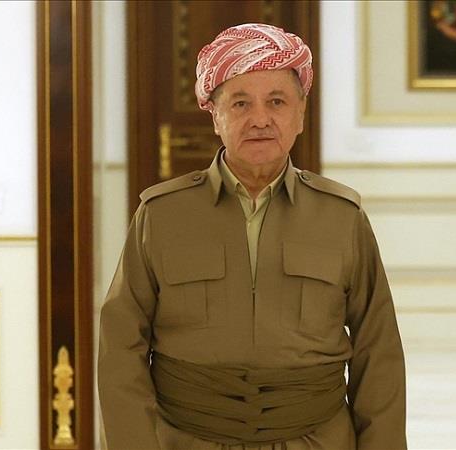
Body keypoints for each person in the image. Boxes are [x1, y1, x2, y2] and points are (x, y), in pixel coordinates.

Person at [98, 23, 406, 450]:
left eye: (276, 102)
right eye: (240, 103)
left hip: (316, 440)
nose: (260, 119)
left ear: (300, 113)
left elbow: (379, 351)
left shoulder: (342, 218)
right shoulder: (161, 215)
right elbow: (120, 347)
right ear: (215, 116)